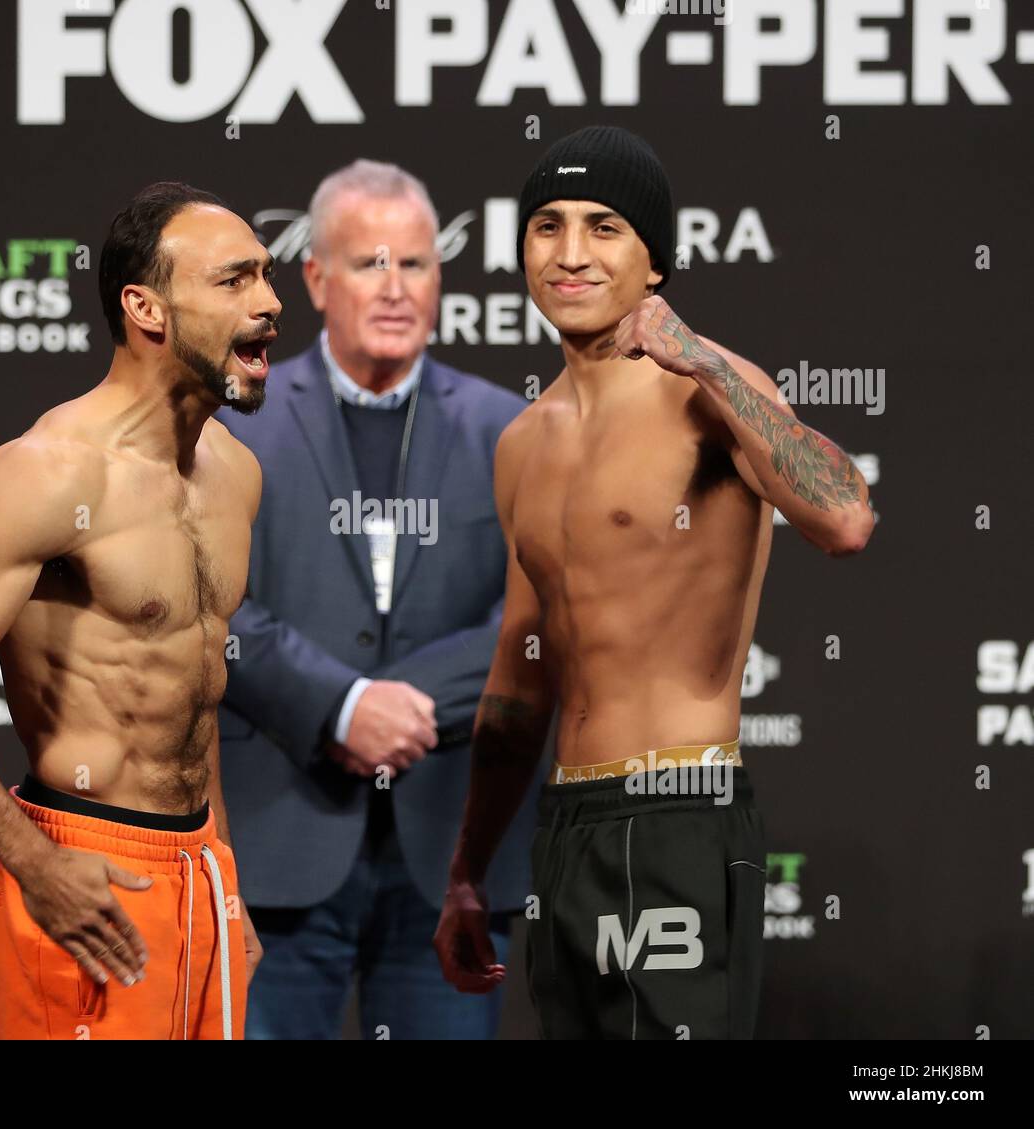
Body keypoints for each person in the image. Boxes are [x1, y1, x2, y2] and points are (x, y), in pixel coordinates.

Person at [434, 126, 875, 1039]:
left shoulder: (710, 392)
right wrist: (470, 868)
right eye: (547, 226)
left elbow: (845, 518)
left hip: (679, 811)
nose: (569, 253)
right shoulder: (523, 443)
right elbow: (520, 683)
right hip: (565, 828)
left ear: (656, 262)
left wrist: (706, 362)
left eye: (604, 227)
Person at [0, 183, 279, 1040]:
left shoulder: (234, 474)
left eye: (266, 278)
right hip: (85, 866)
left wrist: (227, 881)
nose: (270, 303)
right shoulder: (51, 473)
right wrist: (34, 863)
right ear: (146, 308)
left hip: (200, 866)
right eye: (235, 281)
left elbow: (196, 700)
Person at [219, 160, 535, 1039]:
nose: (396, 288)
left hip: (454, 851)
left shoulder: (510, 429)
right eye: (369, 264)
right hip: (280, 840)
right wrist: (340, 704)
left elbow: (540, 617)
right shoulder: (236, 420)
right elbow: (210, 605)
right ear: (315, 278)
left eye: (417, 264)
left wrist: (405, 703)